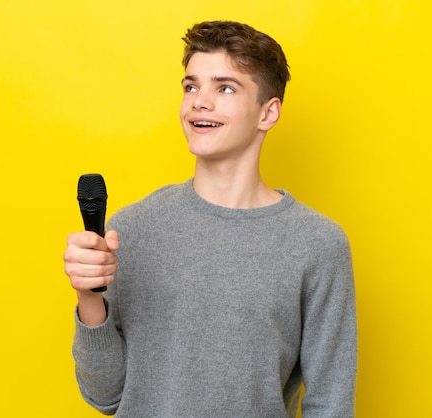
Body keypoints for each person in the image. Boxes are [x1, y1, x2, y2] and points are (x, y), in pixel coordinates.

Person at [63, 20, 357, 417]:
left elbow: (331, 403)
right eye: (191, 86)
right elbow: (106, 396)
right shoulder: (132, 228)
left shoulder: (317, 244)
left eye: (225, 87)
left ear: (268, 113)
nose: (200, 101)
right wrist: (88, 296)